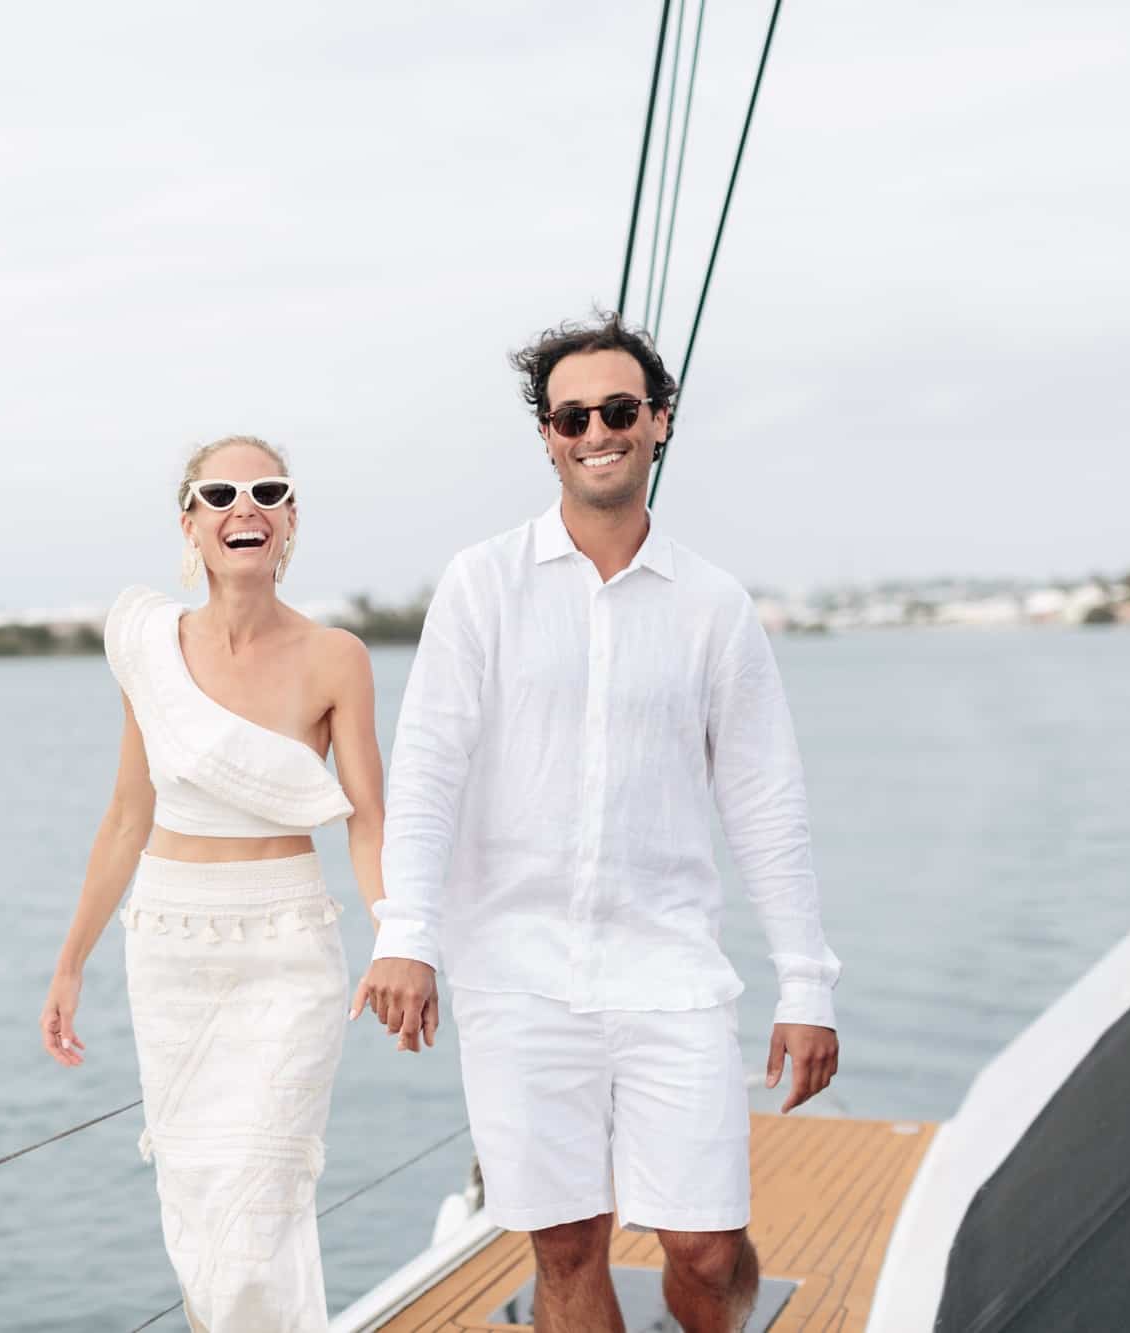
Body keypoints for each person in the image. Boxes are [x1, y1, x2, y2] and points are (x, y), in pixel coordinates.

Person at [351, 315, 843, 1333]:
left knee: (704, 1250)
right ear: (545, 436)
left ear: (658, 421)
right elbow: (430, 767)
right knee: (566, 1245)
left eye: (618, 410)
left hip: (667, 969)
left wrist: (806, 982)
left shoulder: (712, 605)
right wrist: (407, 934)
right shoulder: (480, 584)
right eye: (571, 415)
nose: (595, 431)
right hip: (515, 972)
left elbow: (764, 799)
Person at [40, 435, 386, 1332]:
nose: (247, 506)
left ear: (291, 520)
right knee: (200, 1219)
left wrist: (399, 936)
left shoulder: (336, 657)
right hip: (170, 951)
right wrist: (71, 960)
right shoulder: (148, 650)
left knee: (258, 1217)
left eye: (269, 490)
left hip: (288, 952)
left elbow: (369, 818)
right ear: (189, 523)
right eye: (221, 492)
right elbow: (126, 816)